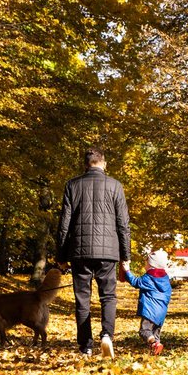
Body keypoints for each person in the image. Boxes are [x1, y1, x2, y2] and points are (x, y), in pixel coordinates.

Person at [56, 147, 131, 358]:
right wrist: (126, 256)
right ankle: (107, 335)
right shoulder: (115, 186)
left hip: (79, 252)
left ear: (85, 164)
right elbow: (123, 224)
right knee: (108, 296)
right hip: (108, 252)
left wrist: (61, 257)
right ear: (103, 163)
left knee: (82, 299)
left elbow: (64, 224)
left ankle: (85, 346)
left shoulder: (72, 185)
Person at [121, 250, 172, 355]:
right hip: (161, 312)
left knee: (144, 331)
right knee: (155, 333)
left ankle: (154, 344)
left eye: (147, 263)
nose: (145, 264)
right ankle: (155, 352)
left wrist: (127, 271)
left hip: (150, 311)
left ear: (152, 265)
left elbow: (136, 282)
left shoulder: (149, 277)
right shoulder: (165, 278)